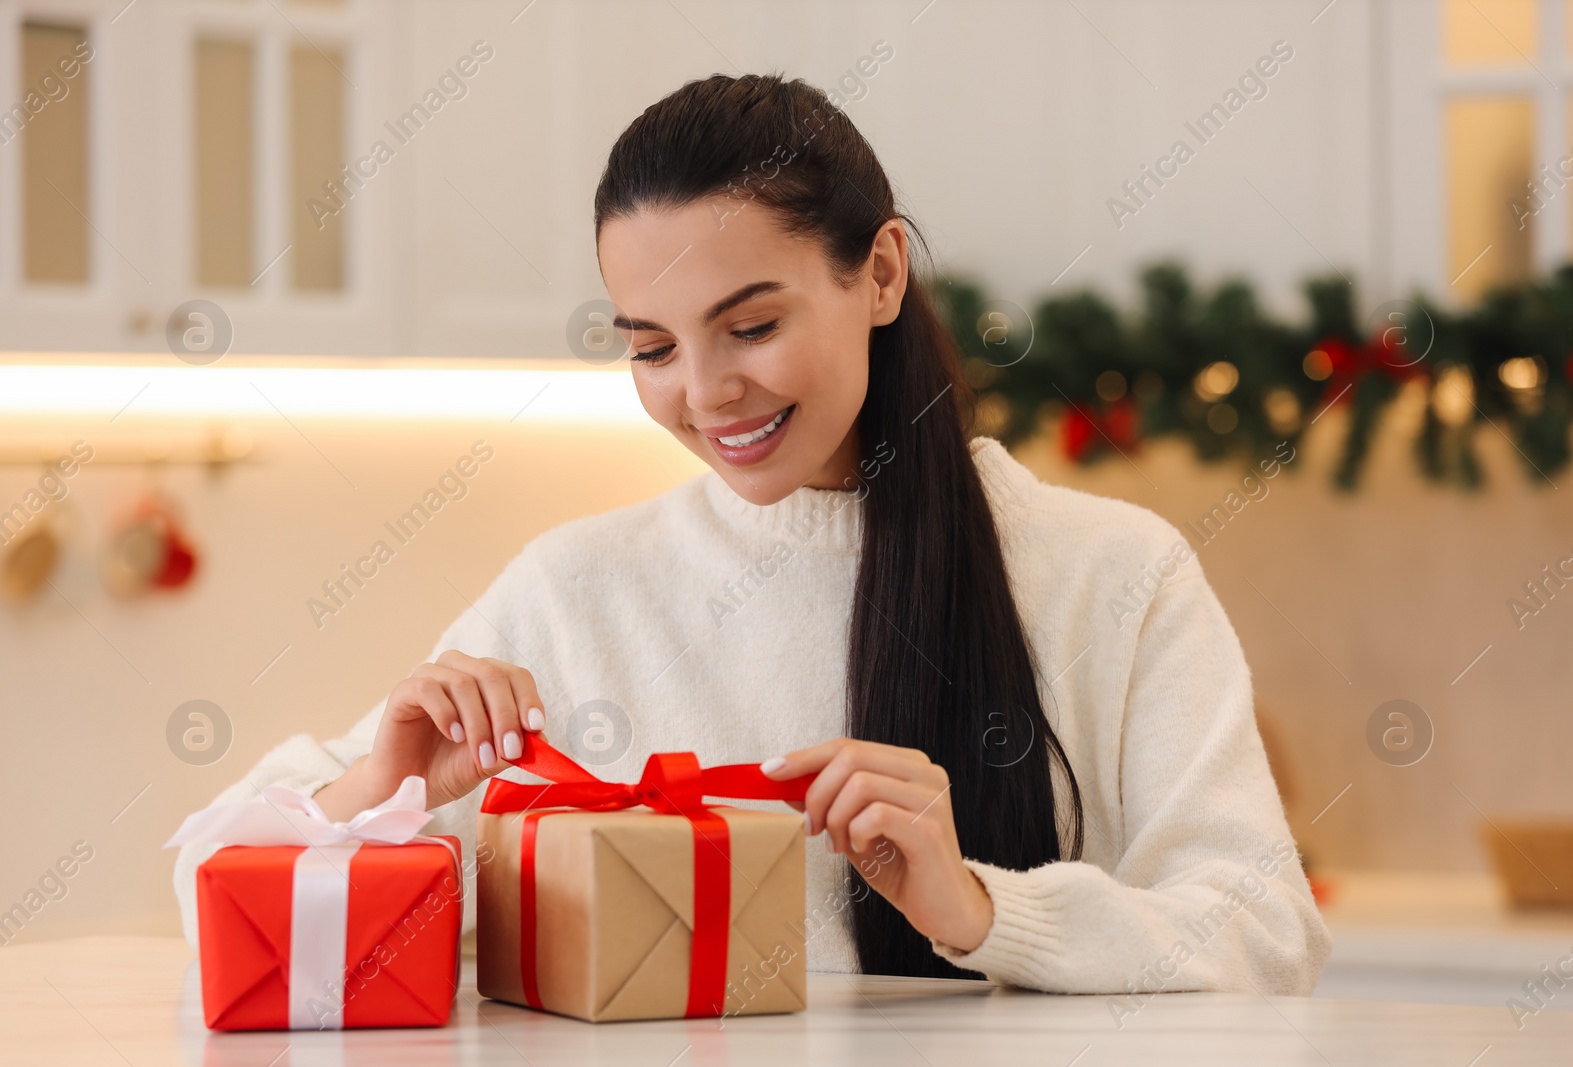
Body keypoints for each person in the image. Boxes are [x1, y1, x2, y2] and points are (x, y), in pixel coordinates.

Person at [175, 73, 1331, 993]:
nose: (707, 389)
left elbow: (1266, 932)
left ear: (878, 273)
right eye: (650, 347)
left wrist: (982, 910)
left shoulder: (1112, 574)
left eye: (752, 323)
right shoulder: (576, 590)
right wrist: (385, 790)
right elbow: (207, 880)